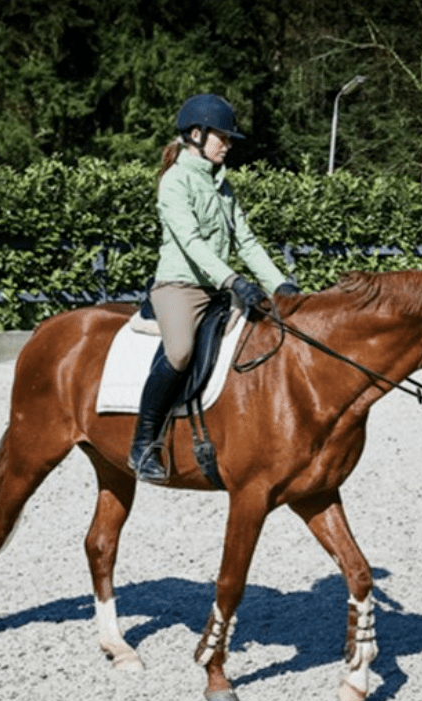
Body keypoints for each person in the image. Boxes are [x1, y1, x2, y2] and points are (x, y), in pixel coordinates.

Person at [129, 93, 299, 483]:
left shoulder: (223, 186)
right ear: (195, 135)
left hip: (219, 289)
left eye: (228, 138)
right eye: (221, 137)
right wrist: (236, 281)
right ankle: (143, 443)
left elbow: (247, 242)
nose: (228, 144)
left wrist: (282, 286)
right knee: (180, 351)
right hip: (179, 288)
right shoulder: (173, 183)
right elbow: (191, 243)